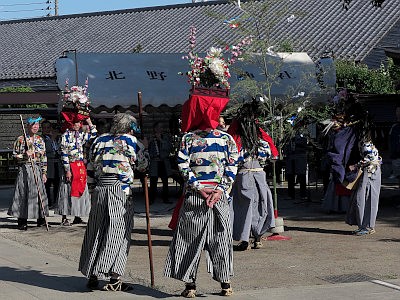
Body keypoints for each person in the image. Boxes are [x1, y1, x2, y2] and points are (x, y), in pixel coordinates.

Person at [164, 93, 239, 297]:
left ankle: (191, 286)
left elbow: (182, 165)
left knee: (191, 238)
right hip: (216, 194)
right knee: (220, 237)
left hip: (198, 194)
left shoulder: (188, 138)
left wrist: (198, 186)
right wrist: (220, 189)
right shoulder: (227, 139)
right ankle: (225, 283)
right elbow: (232, 167)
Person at [79, 113, 148, 291]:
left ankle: (92, 273)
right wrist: (145, 148)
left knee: (97, 229)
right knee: (118, 232)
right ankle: (114, 277)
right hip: (120, 189)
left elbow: (90, 167)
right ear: (129, 127)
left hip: (101, 188)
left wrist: (93, 190)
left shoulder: (98, 140)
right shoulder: (133, 142)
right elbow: (143, 166)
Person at [227, 99, 278, 251]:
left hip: (243, 176)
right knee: (261, 206)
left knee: (244, 208)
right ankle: (258, 237)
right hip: (260, 176)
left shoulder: (237, 142)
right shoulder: (263, 142)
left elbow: (232, 159)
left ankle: (244, 239)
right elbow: (273, 157)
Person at [8, 116, 49, 230]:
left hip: (37, 168)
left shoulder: (40, 140)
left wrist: (44, 172)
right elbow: (15, 155)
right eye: (33, 125)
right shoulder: (21, 139)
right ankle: (22, 220)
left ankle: (41, 219)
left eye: (37, 125)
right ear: (28, 126)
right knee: (23, 193)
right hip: (25, 168)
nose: (35, 127)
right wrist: (24, 155)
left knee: (39, 193)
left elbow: (44, 157)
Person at [56, 117, 97, 226]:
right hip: (70, 165)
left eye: (79, 122)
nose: (78, 124)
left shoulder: (80, 135)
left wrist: (89, 122)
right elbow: (63, 154)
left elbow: (93, 135)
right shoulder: (65, 136)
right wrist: (67, 170)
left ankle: (77, 215)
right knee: (67, 190)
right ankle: (64, 217)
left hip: (79, 165)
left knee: (81, 188)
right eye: (75, 122)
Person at [148, 121, 173, 204]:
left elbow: (169, 147)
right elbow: (146, 148)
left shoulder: (165, 137)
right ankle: (151, 198)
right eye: (159, 127)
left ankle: (166, 198)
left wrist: (161, 140)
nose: (160, 129)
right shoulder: (150, 137)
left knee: (165, 181)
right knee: (153, 181)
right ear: (155, 128)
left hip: (163, 161)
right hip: (154, 161)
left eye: (161, 127)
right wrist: (150, 141)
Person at [41, 120, 61, 208]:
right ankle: (48, 202)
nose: (46, 129)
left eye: (48, 127)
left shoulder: (57, 137)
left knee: (57, 183)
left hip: (57, 162)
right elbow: (47, 149)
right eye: (44, 128)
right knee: (47, 184)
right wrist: (52, 139)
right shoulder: (41, 138)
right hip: (48, 162)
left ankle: (56, 202)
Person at [284, 130, 309, 201]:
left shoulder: (303, 138)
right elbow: (286, 148)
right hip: (290, 158)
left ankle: (303, 195)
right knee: (290, 177)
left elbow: (305, 146)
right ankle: (291, 195)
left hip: (300, 158)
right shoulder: (288, 139)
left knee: (301, 176)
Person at [388, 105, 400, 181]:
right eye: (397, 111)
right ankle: (395, 173)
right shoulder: (394, 126)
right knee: (396, 163)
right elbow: (390, 138)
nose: (398, 113)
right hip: (396, 149)